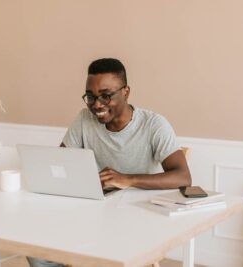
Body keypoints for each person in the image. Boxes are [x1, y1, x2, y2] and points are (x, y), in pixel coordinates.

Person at [27, 58, 191, 267]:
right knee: (36, 248)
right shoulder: (84, 119)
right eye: (90, 97)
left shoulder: (154, 125)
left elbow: (183, 176)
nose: (97, 105)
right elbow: (62, 162)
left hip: (138, 218)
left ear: (125, 92)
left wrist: (127, 180)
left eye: (106, 96)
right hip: (95, 214)